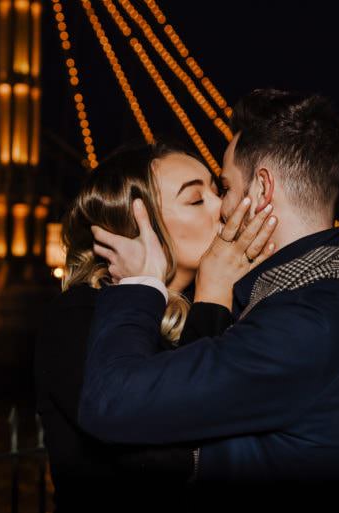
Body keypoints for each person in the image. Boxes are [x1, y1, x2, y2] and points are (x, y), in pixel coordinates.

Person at [79, 90, 339, 511]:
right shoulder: (319, 306)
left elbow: (111, 404)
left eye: (225, 187)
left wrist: (138, 285)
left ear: (262, 188)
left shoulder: (304, 324)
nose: (222, 208)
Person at [33, 141, 277, 512]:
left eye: (217, 191)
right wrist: (213, 295)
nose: (223, 206)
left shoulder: (238, 305)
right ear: (137, 229)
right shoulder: (78, 316)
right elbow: (171, 453)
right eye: (196, 200)